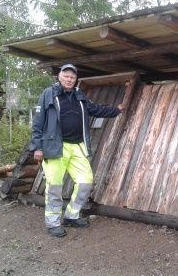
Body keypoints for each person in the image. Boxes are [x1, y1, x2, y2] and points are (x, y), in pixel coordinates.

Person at [30, 63, 123, 237]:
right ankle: (53, 223)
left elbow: (95, 109)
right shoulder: (49, 94)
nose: (69, 79)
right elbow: (38, 121)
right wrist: (37, 146)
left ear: (75, 79)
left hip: (77, 146)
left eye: (72, 77)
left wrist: (115, 110)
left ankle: (71, 216)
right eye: (66, 76)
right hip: (55, 146)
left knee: (86, 181)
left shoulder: (80, 96)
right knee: (55, 186)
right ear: (59, 76)